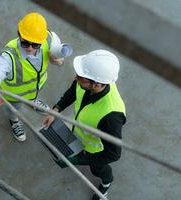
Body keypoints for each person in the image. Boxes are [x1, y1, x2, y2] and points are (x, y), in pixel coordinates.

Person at [42, 50, 126, 200]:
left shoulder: (111, 116)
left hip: (94, 149)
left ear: (97, 84)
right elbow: (73, 92)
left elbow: (113, 153)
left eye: (80, 77)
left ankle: (107, 183)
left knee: (97, 169)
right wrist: (56, 110)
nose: (76, 78)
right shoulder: (86, 82)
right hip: (78, 134)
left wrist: (81, 160)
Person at [0, 12, 72, 142]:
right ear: (19, 34)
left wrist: (57, 61)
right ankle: (14, 121)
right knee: (14, 109)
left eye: (35, 44)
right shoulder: (9, 56)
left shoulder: (49, 40)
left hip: (35, 88)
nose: (30, 48)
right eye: (25, 43)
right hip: (14, 96)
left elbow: (60, 59)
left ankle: (32, 101)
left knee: (32, 96)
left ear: (42, 40)